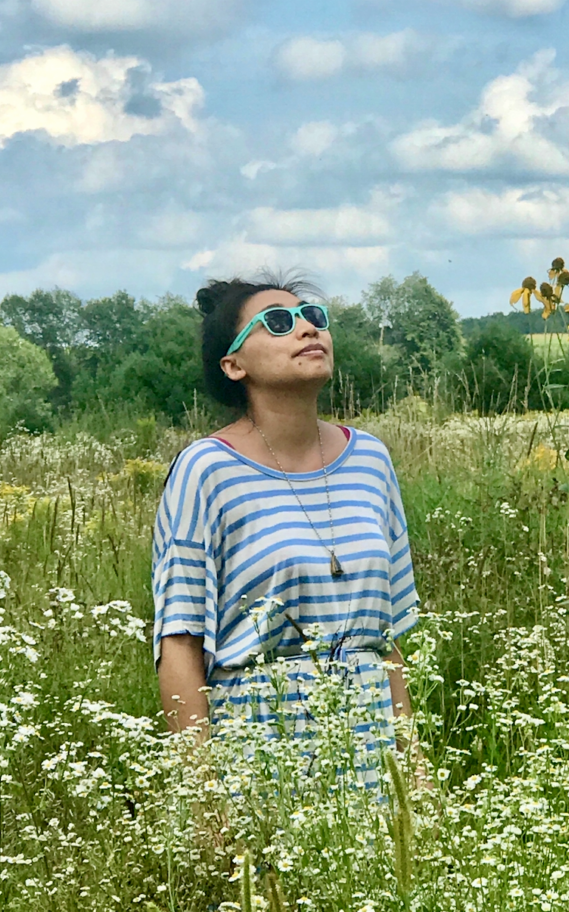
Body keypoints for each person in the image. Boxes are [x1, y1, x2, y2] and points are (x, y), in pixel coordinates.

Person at [151, 273, 420, 782]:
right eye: (277, 323)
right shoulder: (206, 469)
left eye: (313, 317)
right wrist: (205, 795)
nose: (306, 329)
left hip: (372, 746)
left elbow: (388, 642)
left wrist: (415, 769)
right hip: (259, 746)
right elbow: (179, 644)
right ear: (233, 364)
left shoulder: (371, 460)